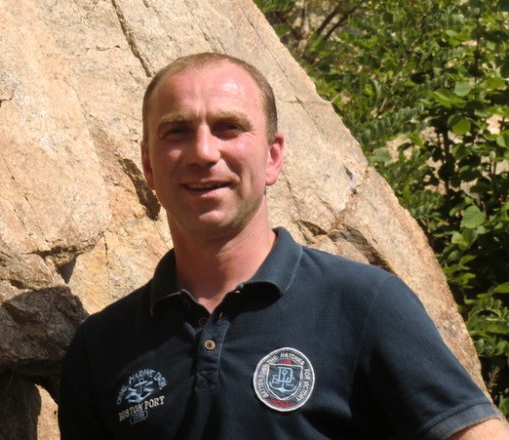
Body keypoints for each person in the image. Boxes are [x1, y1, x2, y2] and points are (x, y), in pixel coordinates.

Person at [58, 52, 508, 439]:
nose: (203, 152)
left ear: (273, 157)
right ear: (148, 165)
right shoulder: (101, 348)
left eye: (228, 127)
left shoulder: (363, 304)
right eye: (177, 131)